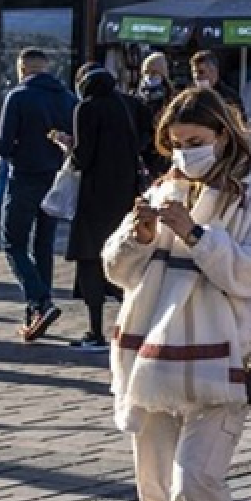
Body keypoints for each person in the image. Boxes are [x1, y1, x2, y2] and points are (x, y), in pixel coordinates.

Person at [103, 87, 251, 501]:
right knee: (155, 494)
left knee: (194, 484)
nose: (186, 154)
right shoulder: (163, 188)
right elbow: (115, 269)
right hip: (152, 359)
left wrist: (197, 236)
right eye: (178, 145)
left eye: (195, 142)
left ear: (222, 136)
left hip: (223, 358)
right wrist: (140, 235)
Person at [57, 64, 142, 351]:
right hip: (124, 196)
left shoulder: (87, 108)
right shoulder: (125, 106)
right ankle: (133, 325)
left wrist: (67, 146)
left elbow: (83, 158)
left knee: (90, 259)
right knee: (124, 259)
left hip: (95, 196)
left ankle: (95, 331)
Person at [0, 48, 77, 342]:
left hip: (25, 176)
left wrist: (15, 154)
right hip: (55, 177)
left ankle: (40, 301)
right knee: (44, 244)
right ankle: (37, 312)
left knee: (12, 241)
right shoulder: (68, 98)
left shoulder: (17, 96)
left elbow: (3, 145)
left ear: (23, 68)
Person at [190, 51, 243, 116]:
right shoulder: (190, 97)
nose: (196, 76)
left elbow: (240, 122)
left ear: (214, 71)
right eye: (193, 72)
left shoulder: (230, 98)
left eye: (201, 72)